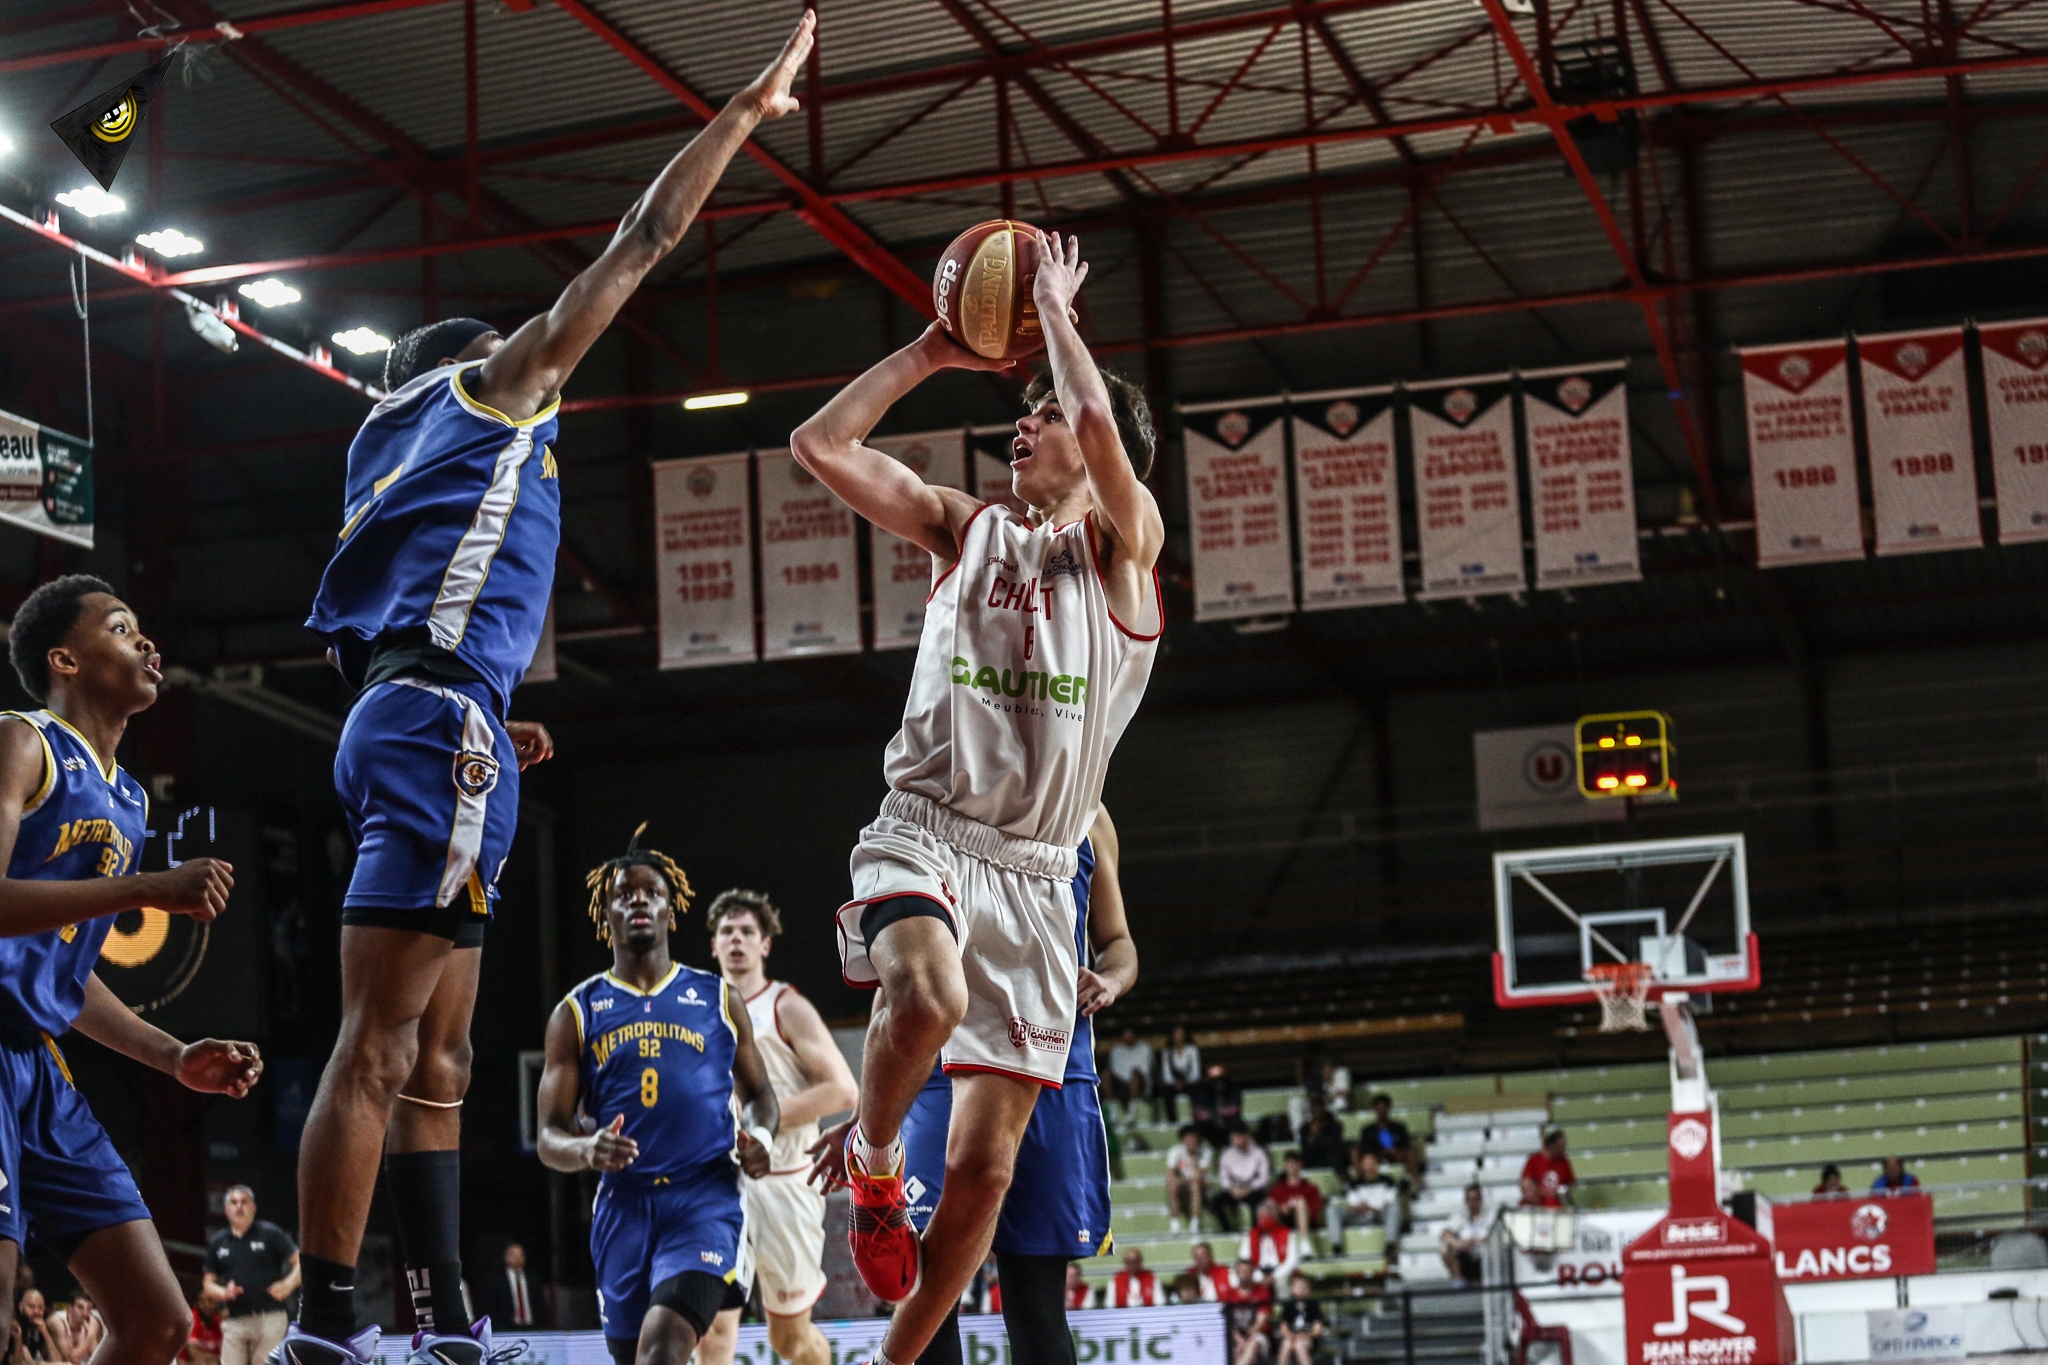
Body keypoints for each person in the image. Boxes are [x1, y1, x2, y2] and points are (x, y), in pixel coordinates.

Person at [282, 20, 815, 1365]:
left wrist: (462, 706)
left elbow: (394, 618)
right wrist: (744, 112)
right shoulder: (498, 391)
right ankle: (324, 1322)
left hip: (417, 721)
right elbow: (637, 240)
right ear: (494, 362)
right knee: (381, 1043)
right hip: (434, 728)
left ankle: (446, 1312)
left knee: (439, 1056)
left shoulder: (378, 445)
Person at [791, 220, 1165, 1365]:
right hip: (927, 828)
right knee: (926, 998)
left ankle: (897, 1360)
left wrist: (1053, 312)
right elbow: (820, 443)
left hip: (1039, 874)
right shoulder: (968, 528)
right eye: (1027, 409)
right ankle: (868, 1164)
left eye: (1041, 413)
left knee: (990, 1170)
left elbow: (1101, 423)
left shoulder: (1127, 554)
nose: (1027, 420)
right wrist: (929, 352)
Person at [0, 577, 260, 1365]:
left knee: (158, 1321)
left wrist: (173, 1056)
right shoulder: (22, 741)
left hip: (41, 1065)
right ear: (65, 659)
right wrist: (147, 886)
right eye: (121, 627)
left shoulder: (131, 802)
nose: (146, 643)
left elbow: (68, 977)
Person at [825, 808, 1139, 1365]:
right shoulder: (951, 789)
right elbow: (905, 979)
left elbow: (1118, 941)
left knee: (1038, 1306)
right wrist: (871, 1119)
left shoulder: (1090, 815)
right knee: (925, 1291)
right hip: (945, 1071)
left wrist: (1111, 976)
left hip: (1052, 1065)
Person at [534, 827, 780, 1365]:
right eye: (625, 894)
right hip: (622, 1207)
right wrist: (585, 1149)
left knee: (663, 1350)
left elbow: (762, 1096)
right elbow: (548, 1136)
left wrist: (760, 1135)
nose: (639, 900)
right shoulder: (576, 1012)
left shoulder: (718, 998)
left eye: (652, 893)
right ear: (607, 916)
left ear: (672, 910)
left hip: (704, 1199)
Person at [707, 889, 858, 1365]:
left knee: (788, 1340)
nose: (736, 940)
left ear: (765, 945)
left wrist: (760, 1120)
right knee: (713, 1326)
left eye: (747, 932)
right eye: (726, 932)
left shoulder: (785, 1006)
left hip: (783, 1182)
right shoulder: (696, 1006)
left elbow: (842, 1091)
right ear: (712, 945)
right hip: (718, 1183)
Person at [204, 1186, 299, 1365]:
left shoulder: (270, 1233)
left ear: (253, 1207)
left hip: (270, 1317)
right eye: (234, 1202)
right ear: (226, 1210)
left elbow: (300, 1262)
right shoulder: (218, 1242)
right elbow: (208, 1283)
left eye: (244, 1202)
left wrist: (288, 1284)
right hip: (234, 1320)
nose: (239, 1207)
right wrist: (224, 1292)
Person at [1328, 1149, 1401, 1254]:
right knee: (1332, 1209)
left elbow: (1390, 1203)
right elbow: (1352, 1206)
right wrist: (1360, 1208)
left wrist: (1371, 1208)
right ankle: (1337, 1246)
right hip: (1359, 1216)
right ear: (1362, 1165)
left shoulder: (1388, 1181)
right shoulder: (1355, 1184)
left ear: (1377, 1164)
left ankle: (1390, 1245)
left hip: (1379, 1215)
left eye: (1372, 1163)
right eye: (1367, 1163)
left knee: (1395, 1207)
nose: (1369, 1166)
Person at [1210, 1126, 1271, 1233]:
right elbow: (1223, 1178)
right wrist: (1232, 1189)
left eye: (1240, 1137)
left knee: (1259, 1200)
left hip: (1252, 1189)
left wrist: (1249, 1188)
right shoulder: (1226, 1154)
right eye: (1235, 1137)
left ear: (1247, 1137)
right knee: (1216, 1201)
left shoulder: (1258, 1153)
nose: (1238, 1140)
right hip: (1235, 1189)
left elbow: (1264, 1178)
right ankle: (1227, 1229)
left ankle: (1255, 1231)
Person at [476, 1243, 540, 1331]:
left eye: (520, 1255)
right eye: (513, 1255)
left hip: (532, 1328)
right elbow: (490, 1308)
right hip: (506, 1328)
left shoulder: (533, 1279)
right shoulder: (496, 1280)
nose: (517, 1258)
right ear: (506, 1257)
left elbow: (540, 1307)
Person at [1240, 1201, 1302, 1286]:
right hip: (1257, 1273)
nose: (1264, 1217)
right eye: (1262, 1214)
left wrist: (1275, 1276)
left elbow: (1292, 1260)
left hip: (1280, 1273)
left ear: (1276, 1216)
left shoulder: (1287, 1234)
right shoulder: (1250, 1236)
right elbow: (1245, 1259)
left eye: (1269, 1213)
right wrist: (1259, 1277)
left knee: (1282, 1284)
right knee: (1245, 1281)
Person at [1268, 1153, 1324, 1248]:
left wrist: (1295, 1208)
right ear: (1284, 1166)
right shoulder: (1278, 1189)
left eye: (1294, 1163)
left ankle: (1305, 1244)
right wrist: (1281, 1208)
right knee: (1269, 1204)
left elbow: (1315, 1210)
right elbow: (1272, 1204)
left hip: (1305, 1220)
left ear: (1300, 1165)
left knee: (1300, 1202)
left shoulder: (1310, 1188)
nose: (1291, 1166)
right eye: (1288, 1163)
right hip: (1285, 1219)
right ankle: (1269, 1243)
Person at [1439, 1185, 1491, 1286]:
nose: (1472, 1203)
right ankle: (1459, 1279)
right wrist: (1459, 1243)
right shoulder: (1460, 1216)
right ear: (1465, 1201)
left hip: (1484, 1255)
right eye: (1470, 1199)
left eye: (1475, 1199)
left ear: (1481, 1200)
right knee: (1445, 1247)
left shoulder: (1489, 1216)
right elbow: (1444, 1234)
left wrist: (1477, 1242)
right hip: (1466, 1255)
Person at [1223, 1259, 1272, 1365]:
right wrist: (1240, 1340)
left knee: (1252, 1344)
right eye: (1241, 1271)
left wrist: (1246, 1341)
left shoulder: (1262, 1292)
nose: (1244, 1275)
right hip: (1236, 1337)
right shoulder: (1229, 1294)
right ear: (1236, 1273)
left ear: (1252, 1272)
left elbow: (1261, 1321)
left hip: (1259, 1336)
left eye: (1247, 1271)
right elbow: (1229, 1322)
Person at [1359, 1095, 1419, 1180]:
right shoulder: (1368, 1130)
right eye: (1379, 1108)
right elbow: (1366, 1147)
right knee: (1367, 1158)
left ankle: (1408, 1179)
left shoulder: (1399, 1127)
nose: (1381, 1111)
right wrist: (1381, 1152)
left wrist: (1394, 1151)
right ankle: (1362, 1180)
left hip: (1396, 1153)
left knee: (1412, 1153)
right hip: (1377, 1155)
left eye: (1384, 1108)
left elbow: (1405, 1144)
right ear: (1375, 1109)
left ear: (1388, 1108)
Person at [1104, 1029, 1154, 1130]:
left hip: (1140, 1084)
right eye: (1125, 1035)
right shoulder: (1116, 1050)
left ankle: (1131, 1115)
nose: (1128, 1037)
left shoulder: (1145, 1048)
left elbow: (1146, 1072)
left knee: (1135, 1074)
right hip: (1121, 1084)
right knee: (1106, 1074)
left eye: (1130, 1035)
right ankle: (1113, 1114)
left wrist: (1132, 1079)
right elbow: (1114, 1070)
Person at [1165, 1125, 1211, 1234]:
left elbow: (1199, 1175)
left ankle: (1195, 1222)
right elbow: (1170, 1174)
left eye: (1193, 1137)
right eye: (1187, 1138)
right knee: (1172, 1184)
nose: (1191, 1141)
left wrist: (1192, 1158)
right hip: (1182, 1183)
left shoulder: (1205, 1152)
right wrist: (1182, 1181)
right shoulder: (1175, 1151)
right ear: (1182, 1139)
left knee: (1195, 1185)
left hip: (1199, 1185)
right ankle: (1174, 1222)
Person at [1190, 1065, 1245, 1149]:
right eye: (1215, 1081)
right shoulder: (1201, 1091)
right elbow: (1198, 1112)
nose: (1218, 1083)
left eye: (1221, 1080)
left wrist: (1220, 1114)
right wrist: (1214, 1115)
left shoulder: (1233, 1088)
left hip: (1228, 1124)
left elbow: (1234, 1108)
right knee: (1198, 1127)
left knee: (1237, 1124)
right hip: (1209, 1126)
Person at [1274, 1275, 1323, 1365]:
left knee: (1299, 1345)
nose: (1301, 1290)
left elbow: (1317, 1328)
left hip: (1309, 1339)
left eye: (1304, 1287)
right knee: (1286, 1344)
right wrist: (1290, 1336)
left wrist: (1307, 1335)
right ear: (1292, 1289)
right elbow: (1283, 1326)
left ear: (1309, 1289)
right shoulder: (1288, 1305)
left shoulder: (1313, 1305)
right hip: (1292, 1337)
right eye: (1298, 1287)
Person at [1520, 1130, 1575, 1208]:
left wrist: (1562, 1191)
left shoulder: (1564, 1161)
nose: (1564, 1151)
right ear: (1552, 1147)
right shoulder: (1534, 1160)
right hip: (1537, 1205)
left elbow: (1570, 1182)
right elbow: (1526, 1182)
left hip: (1556, 1206)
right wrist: (1535, 1193)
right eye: (1561, 1148)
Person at [1158, 1026, 1201, 1123]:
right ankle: (1172, 1120)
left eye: (1181, 1035)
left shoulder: (1192, 1050)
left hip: (1190, 1082)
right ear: (1172, 1037)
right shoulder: (1167, 1052)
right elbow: (1166, 1074)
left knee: (1197, 1090)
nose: (1179, 1037)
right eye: (1177, 1035)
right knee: (1166, 1091)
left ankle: (1195, 1119)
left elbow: (1196, 1072)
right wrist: (1175, 1083)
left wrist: (1184, 1081)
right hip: (1173, 1083)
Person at [1295, 1100, 1348, 1178]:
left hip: (1331, 1157)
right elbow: (1305, 1149)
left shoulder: (1335, 1126)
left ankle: (1344, 1180)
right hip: (1312, 1157)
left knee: (1335, 1158)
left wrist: (1319, 1136)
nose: (1318, 1113)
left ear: (1324, 1110)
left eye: (1319, 1110)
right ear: (1312, 1112)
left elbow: (1335, 1145)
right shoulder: (1305, 1128)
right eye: (1315, 1110)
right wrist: (1312, 1136)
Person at [46, 1293, 101, 1365]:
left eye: (89, 1308)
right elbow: (71, 1359)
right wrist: (90, 1336)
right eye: (80, 1307)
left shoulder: (90, 1323)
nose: (85, 1313)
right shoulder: (57, 1321)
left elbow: (98, 1359)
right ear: (70, 1307)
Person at [184, 1287, 224, 1365]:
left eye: (210, 1300)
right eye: (202, 1301)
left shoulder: (220, 1319)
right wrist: (217, 1358)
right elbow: (194, 1354)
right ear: (196, 1304)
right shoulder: (192, 1319)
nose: (207, 1305)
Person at [14, 1290, 53, 1365]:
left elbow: (55, 1359)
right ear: (21, 1306)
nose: (36, 1311)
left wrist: (46, 1334)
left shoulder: (41, 1325)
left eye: (40, 1307)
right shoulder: (16, 1325)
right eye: (31, 1307)